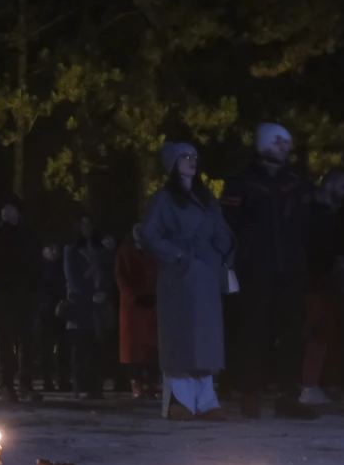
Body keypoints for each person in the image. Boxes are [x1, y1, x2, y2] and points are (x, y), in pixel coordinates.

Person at [220, 123, 318, 419]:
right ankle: (250, 394)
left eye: (287, 142)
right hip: (254, 270)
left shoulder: (297, 184)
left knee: (291, 333)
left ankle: (288, 396)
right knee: (253, 332)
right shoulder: (242, 182)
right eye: (277, 141)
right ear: (262, 143)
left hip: (290, 269)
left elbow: (309, 225)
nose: (284, 147)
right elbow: (227, 225)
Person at [141, 143, 235, 421]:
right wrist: (178, 254)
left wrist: (223, 249)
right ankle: (180, 400)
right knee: (180, 337)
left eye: (195, 156)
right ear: (172, 163)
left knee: (206, 337)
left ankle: (206, 400)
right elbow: (150, 234)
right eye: (185, 156)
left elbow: (221, 229)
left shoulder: (207, 198)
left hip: (205, 274)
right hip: (180, 277)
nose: (191, 161)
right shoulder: (163, 199)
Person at [0, 197, 44, 402]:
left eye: (10, 208)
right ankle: (7, 384)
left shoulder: (28, 235)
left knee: (27, 342)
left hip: (26, 295)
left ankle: (25, 384)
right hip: (4, 296)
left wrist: (35, 289)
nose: (7, 212)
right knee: (6, 342)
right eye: (4, 208)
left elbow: (36, 263)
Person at [300, 168, 344, 405]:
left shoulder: (332, 213)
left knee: (326, 332)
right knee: (317, 332)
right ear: (330, 185)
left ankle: (316, 383)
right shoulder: (316, 213)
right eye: (343, 187)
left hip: (327, 280)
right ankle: (308, 385)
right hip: (314, 280)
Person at [63, 214, 115, 399]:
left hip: (98, 304)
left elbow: (109, 273)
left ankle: (96, 386)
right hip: (80, 303)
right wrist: (89, 295)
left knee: (97, 347)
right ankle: (81, 385)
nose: (86, 228)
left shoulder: (101, 250)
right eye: (83, 225)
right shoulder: (71, 250)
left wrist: (102, 292)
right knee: (80, 349)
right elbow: (72, 278)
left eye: (89, 225)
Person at [115, 224, 160, 399]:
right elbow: (121, 277)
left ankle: (152, 383)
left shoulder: (155, 251)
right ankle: (136, 382)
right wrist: (135, 297)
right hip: (133, 307)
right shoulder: (125, 252)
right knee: (133, 348)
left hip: (152, 304)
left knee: (153, 347)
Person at [37, 243, 70, 393]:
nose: (53, 250)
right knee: (46, 349)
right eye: (49, 247)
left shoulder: (64, 266)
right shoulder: (39, 267)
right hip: (45, 312)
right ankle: (47, 380)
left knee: (63, 347)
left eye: (56, 247)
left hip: (61, 310)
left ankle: (63, 379)